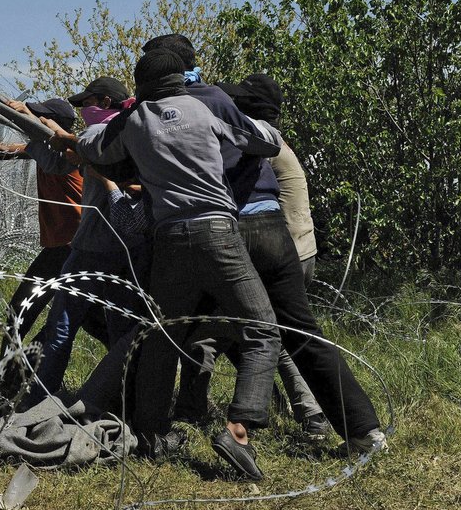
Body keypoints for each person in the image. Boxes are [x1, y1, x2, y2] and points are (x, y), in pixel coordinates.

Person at [142, 36, 386, 456]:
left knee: (173, 330)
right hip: (271, 225)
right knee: (299, 331)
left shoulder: (166, 110)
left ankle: (158, 429)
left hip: (227, 228)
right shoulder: (217, 99)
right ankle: (362, 430)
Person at [48, 49, 284, 480]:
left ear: (142, 85)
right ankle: (238, 428)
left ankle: (153, 433)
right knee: (262, 328)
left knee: (162, 335)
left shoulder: (135, 119)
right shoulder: (202, 108)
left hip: (169, 240)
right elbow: (265, 141)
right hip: (217, 234)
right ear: (179, 78)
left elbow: (96, 146)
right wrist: (265, 121)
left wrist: (69, 139)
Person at [0, 99, 106, 371]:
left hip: (70, 248)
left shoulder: (69, 155)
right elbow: (3, 149)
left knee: (21, 310)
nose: (28, 122)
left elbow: (43, 159)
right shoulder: (47, 149)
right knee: (85, 317)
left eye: (35, 118)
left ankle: (7, 376)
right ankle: (14, 374)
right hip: (67, 248)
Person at [24, 77, 151, 409]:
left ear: (106, 103)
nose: (83, 110)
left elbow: (56, 159)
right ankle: (125, 403)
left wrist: (31, 123)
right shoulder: (137, 134)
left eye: (87, 103)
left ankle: (38, 402)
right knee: (122, 333)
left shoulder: (97, 136)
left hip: (92, 247)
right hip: (130, 249)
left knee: (61, 329)